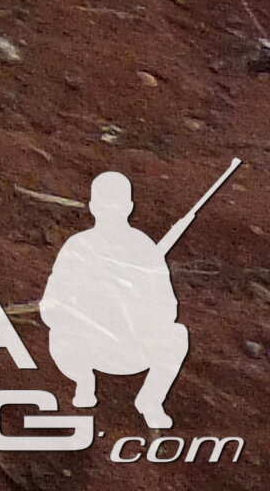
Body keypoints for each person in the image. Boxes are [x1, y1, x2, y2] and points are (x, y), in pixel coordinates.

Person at [40, 170, 192, 430]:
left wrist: (137, 302)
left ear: (129, 207)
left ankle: (151, 400)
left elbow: (168, 307)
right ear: (93, 206)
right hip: (87, 345)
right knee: (59, 334)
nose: (111, 209)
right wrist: (86, 307)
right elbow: (50, 305)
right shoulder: (78, 247)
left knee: (177, 335)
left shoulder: (144, 249)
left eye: (117, 203)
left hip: (132, 347)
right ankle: (84, 381)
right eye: (105, 202)